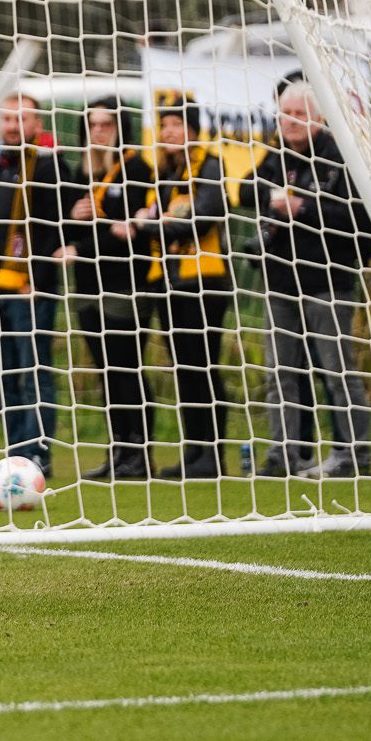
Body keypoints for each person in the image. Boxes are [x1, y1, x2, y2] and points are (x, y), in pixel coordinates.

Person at [242, 82, 371, 479]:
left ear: (318, 117)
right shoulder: (275, 158)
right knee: (279, 375)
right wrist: (269, 197)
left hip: (327, 282)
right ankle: (284, 454)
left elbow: (362, 224)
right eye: (286, 114)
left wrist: (304, 207)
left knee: (337, 374)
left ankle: (354, 456)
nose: (292, 122)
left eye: (300, 114)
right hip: (280, 282)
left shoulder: (340, 157)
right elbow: (243, 189)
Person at [0, 93, 68, 473]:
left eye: (21, 119)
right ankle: (16, 451)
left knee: (33, 368)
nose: (12, 126)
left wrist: (37, 278)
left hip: (31, 287)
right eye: (7, 119)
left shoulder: (49, 165)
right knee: (3, 372)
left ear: (37, 124)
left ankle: (39, 452)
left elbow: (58, 225)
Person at [130, 96, 234, 480]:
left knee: (204, 367)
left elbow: (201, 220)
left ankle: (213, 454)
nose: (169, 131)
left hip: (203, 280)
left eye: (176, 124)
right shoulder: (165, 174)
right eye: (165, 124)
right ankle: (194, 454)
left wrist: (149, 224)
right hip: (168, 281)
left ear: (192, 130)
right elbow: (165, 219)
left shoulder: (209, 166)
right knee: (185, 369)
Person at [61, 99, 159, 482]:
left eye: (106, 124)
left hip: (125, 284)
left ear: (120, 129)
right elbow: (62, 227)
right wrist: (73, 218)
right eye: (92, 125)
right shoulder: (79, 173)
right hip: (86, 284)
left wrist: (83, 244)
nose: (98, 131)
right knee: (105, 370)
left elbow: (129, 235)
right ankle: (117, 449)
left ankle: (140, 451)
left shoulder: (134, 168)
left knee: (127, 367)